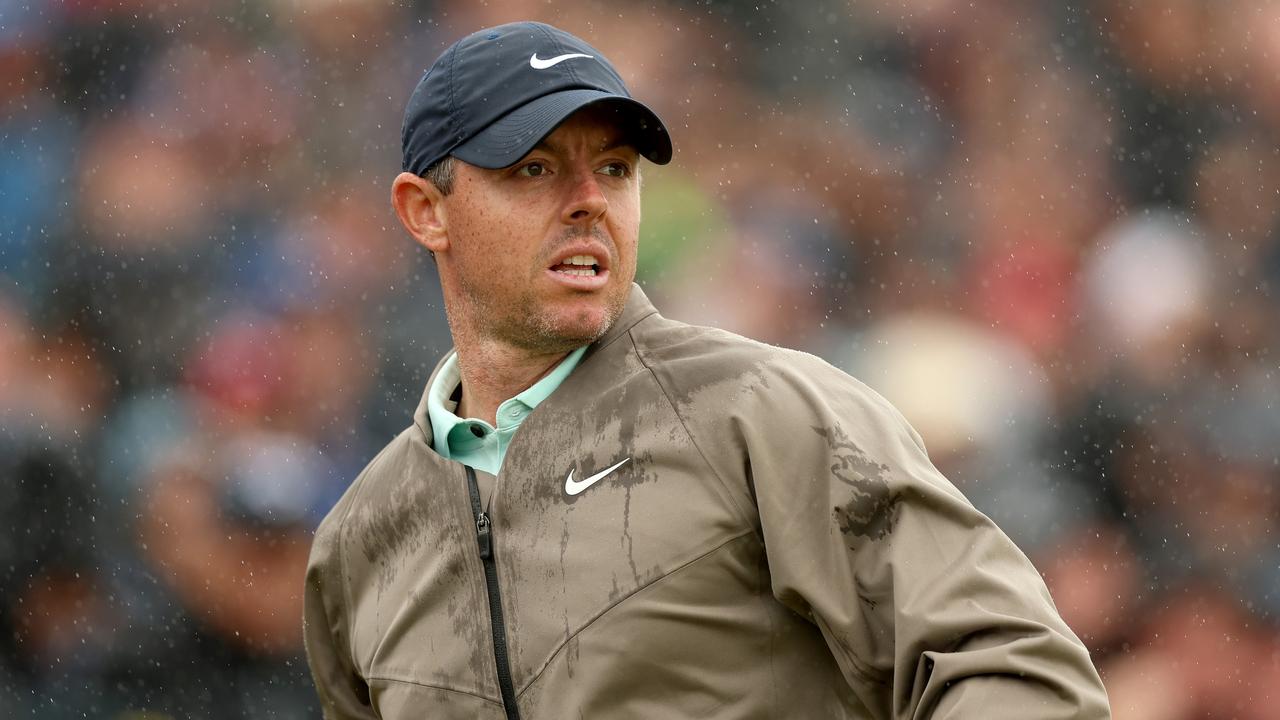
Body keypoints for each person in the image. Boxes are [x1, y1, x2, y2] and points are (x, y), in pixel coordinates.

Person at [303, 21, 1111, 719]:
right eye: (535, 169)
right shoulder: (360, 540)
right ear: (425, 211)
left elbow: (1017, 668)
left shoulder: (766, 414)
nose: (590, 200)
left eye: (615, 168)